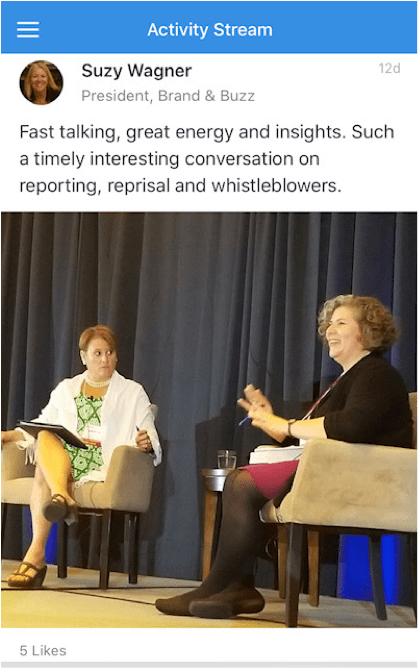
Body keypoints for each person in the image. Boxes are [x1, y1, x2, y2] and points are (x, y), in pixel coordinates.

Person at [155, 295, 413, 619]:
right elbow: (312, 435)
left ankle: (222, 587)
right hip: (332, 472)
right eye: (329, 324)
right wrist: (272, 422)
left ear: (368, 330)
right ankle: (235, 589)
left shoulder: (377, 373)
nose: (330, 330)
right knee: (238, 481)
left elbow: (350, 426)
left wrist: (285, 425)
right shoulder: (345, 380)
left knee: (241, 483)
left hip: (365, 482)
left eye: (341, 323)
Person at [2, 325, 161, 589]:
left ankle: (36, 554)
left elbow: (149, 430)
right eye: (98, 353)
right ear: (83, 357)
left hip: (104, 463)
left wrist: (146, 442)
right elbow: (40, 424)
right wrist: (9, 435)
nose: (105, 359)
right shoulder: (67, 389)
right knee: (45, 436)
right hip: (65, 461)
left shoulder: (133, 391)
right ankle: (61, 497)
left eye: (110, 352)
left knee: (43, 472)